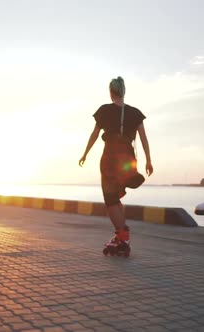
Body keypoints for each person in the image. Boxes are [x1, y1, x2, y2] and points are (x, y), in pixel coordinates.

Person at [79, 76, 153, 252]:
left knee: (110, 198)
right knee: (116, 198)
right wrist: (149, 161)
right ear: (124, 91)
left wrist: (85, 153)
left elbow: (94, 135)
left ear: (111, 92)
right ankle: (122, 238)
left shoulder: (104, 111)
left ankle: (122, 238)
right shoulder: (135, 113)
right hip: (128, 160)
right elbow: (143, 139)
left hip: (110, 159)